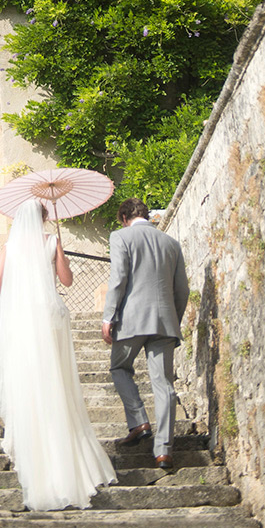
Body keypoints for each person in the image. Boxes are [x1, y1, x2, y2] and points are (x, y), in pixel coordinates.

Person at [0, 198, 116, 510]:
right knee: (56, 382)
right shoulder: (51, 241)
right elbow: (67, 280)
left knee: (29, 378)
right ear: (45, 219)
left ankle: (31, 443)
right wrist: (59, 252)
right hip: (49, 319)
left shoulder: (10, 247)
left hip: (22, 320)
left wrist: (15, 297)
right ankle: (64, 450)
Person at [101, 197, 190, 471]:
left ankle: (139, 421)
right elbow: (182, 290)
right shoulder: (171, 243)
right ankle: (163, 451)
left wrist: (108, 316)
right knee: (164, 384)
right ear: (146, 215)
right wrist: (172, 318)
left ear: (125, 217)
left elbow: (119, 278)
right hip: (165, 321)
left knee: (119, 367)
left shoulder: (121, 236)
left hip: (132, 320)